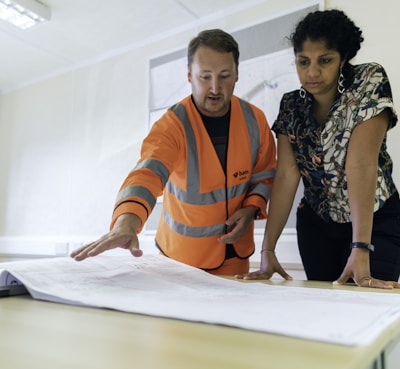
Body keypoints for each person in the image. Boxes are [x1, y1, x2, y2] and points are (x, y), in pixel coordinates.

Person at [71, 29, 277, 276]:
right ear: (189, 76)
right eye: (204, 77)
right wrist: (126, 223)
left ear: (237, 75)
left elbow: (264, 175)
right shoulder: (171, 125)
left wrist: (251, 208)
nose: (214, 88)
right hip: (181, 261)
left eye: (224, 76)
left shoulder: (255, 120)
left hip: (236, 256)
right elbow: (147, 174)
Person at [236, 9, 400, 289]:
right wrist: (268, 251)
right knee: (325, 310)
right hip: (317, 227)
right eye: (303, 61)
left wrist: (360, 247)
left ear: (343, 59)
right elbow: (287, 176)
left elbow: (360, 164)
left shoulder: (368, 81)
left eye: (325, 61)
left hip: (374, 222)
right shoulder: (292, 105)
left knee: (367, 307)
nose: (312, 72)